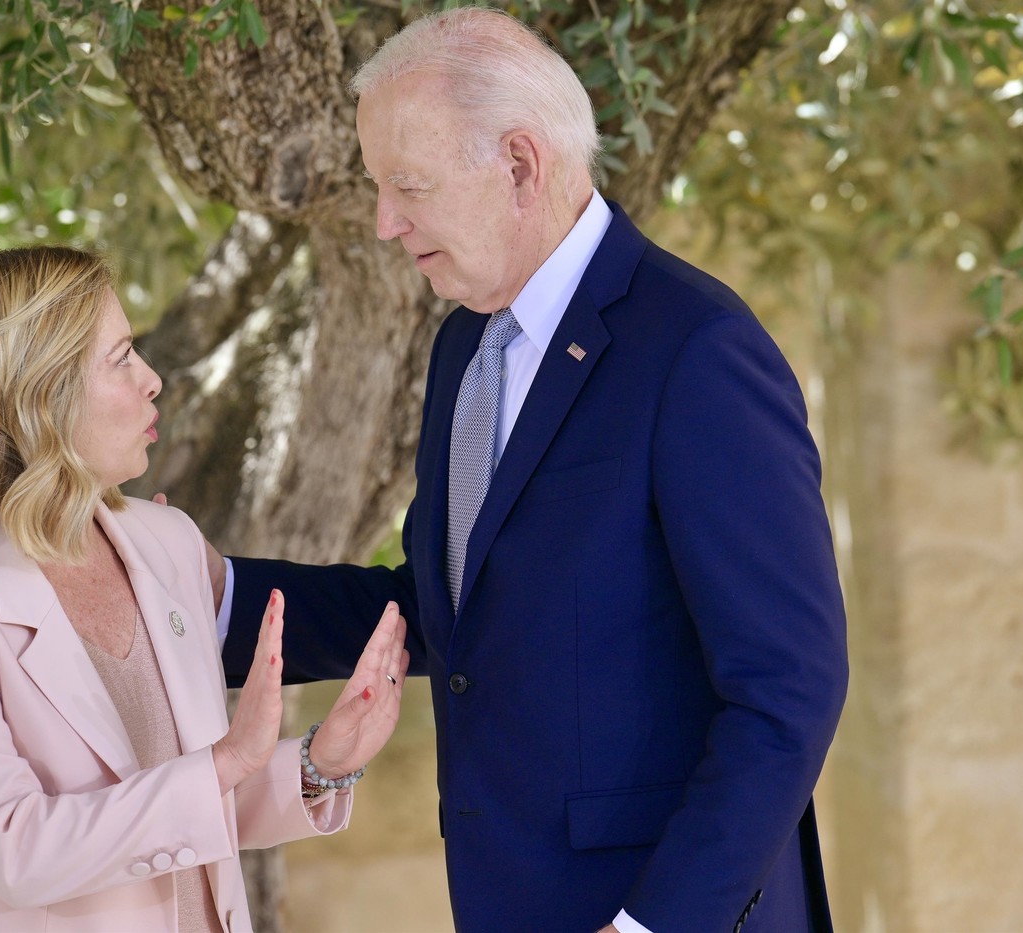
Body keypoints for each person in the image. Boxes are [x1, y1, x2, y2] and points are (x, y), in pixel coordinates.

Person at [220, 8, 849, 933]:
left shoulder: (697, 349)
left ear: (519, 163)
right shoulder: (463, 347)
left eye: (408, 186)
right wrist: (208, 601)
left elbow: (789, 688)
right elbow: (454, 610)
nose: (386, 223)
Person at [0, 245, 407, 933]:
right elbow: (17, 850)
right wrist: (227, 759)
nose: (152, 380)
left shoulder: (166, 542)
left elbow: (194, 809)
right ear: (38, 395)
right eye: (121, 358)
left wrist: (319, 762)